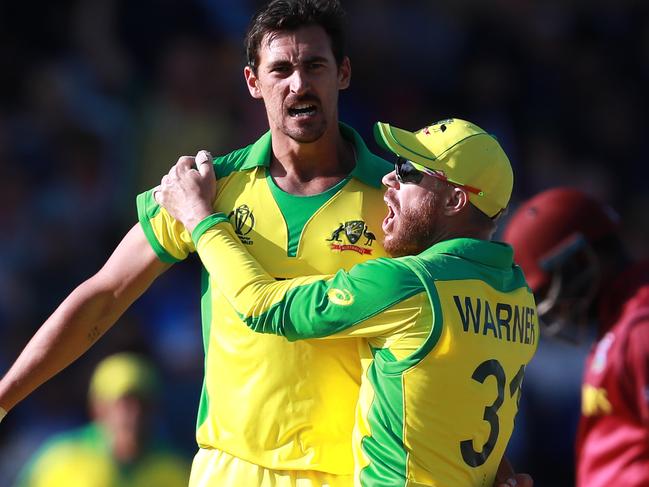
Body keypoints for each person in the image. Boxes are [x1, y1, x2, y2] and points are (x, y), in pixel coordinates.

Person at [0, 0, 531, 485]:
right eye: (281, 69)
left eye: (316, 66)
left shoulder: (395, 204)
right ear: (253, 82)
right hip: (225, 468)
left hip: (341, 473)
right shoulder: (209, 189)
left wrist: (488, 466)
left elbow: (448, 348)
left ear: (342, 73)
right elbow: (104, 295)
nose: (299, 83)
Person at [154, 117, 538, 486]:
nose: (388, 177)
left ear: (455, 200)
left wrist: (198, 217)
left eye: (409, 172)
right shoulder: (521, 299)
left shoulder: (411, 282)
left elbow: (264, 306)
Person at [502, 187, 649, 487]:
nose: (553, 310)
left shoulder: (640, 326)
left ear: (581, 260)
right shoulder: (619, 323)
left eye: (547, 292)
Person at [15, 352, 189, 487]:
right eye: (124, 403)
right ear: (98, 408)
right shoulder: (59, 459)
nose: (135, 413)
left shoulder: (176, 470)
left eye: (144, 403)